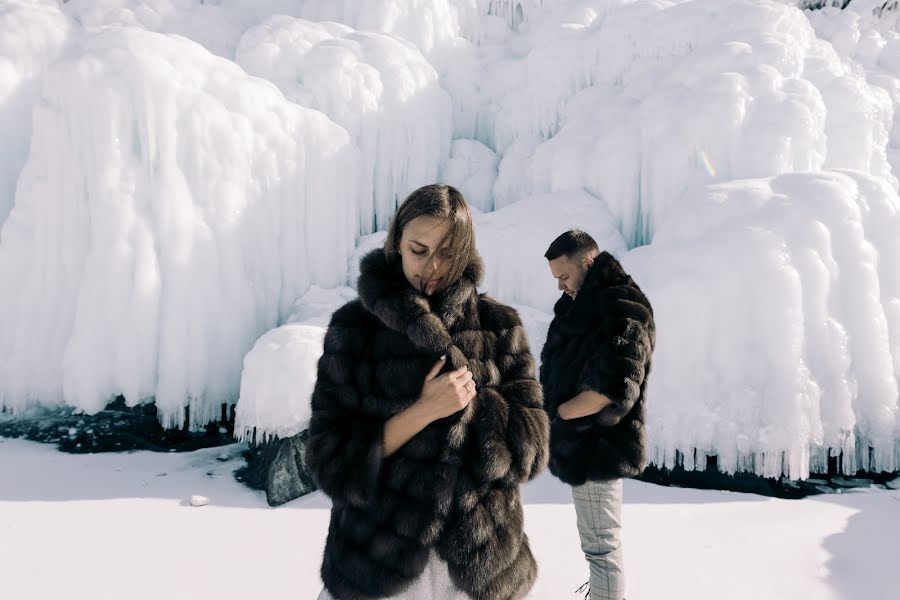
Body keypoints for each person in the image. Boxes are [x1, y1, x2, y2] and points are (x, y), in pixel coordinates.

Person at [305, 184, 549, 600]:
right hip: (379, 563)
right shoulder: (354, 330)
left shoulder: (500, 326)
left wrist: (473, 407)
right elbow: (329, 460)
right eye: (418, 250)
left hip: (478, 566)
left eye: (448, 252)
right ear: (397, 242)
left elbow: (532, 450)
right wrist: (423, 411)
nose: (432, 266)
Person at [539, 230, 655, 600]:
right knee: (601, 547)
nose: (560, 286)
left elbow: (611, 391)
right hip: (586, 446)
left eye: (564, 276)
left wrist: (558, 414)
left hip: (596, 448)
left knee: (602, 550)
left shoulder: (620, 307)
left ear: (588, 263)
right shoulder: (589, 304)